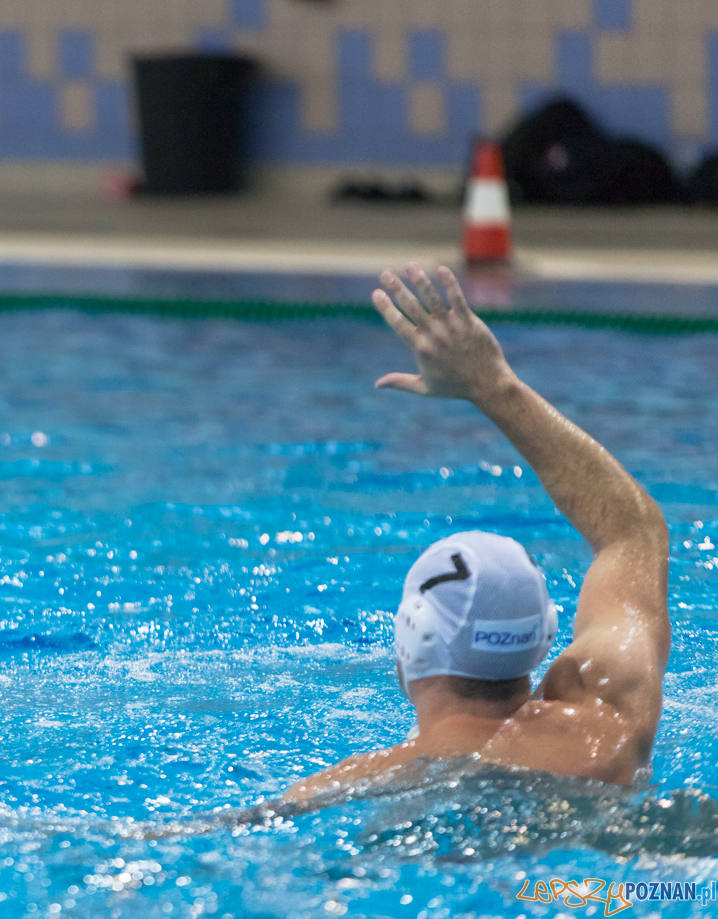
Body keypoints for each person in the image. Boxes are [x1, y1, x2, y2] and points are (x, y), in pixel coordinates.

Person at [282, 263, 670, 803]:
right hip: (617, 886)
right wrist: (494, 386)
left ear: (411, 638)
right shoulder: (608, 728)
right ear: (545, 634)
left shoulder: (356, 785)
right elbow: (632, 532)